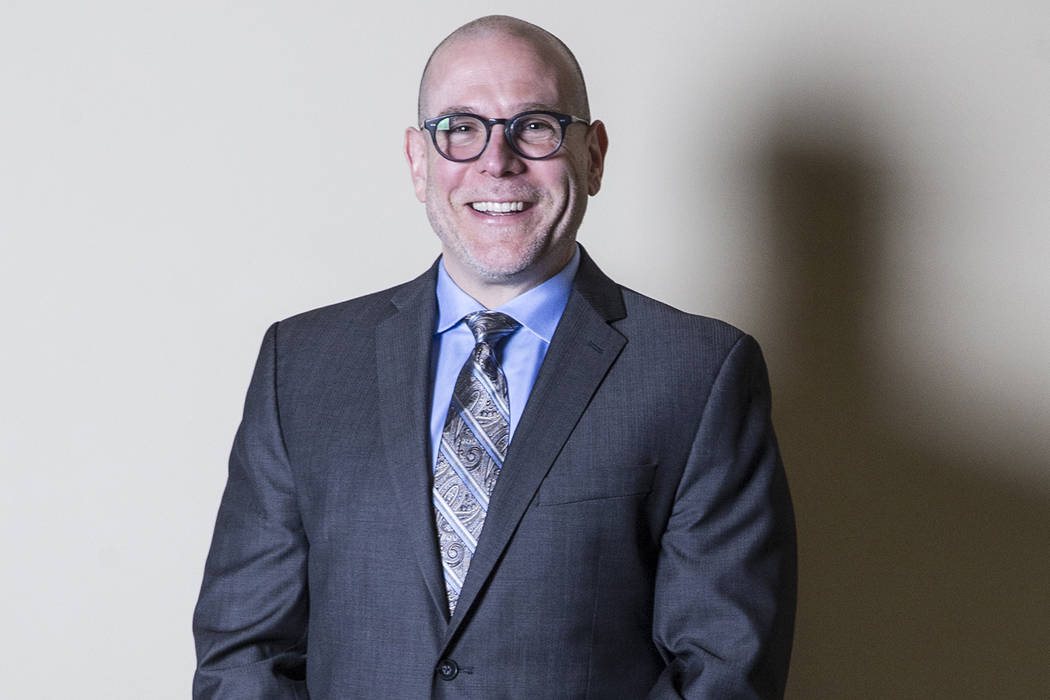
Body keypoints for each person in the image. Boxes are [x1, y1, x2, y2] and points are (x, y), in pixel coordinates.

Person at [193, 14, 796, 699]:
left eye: (535, 126)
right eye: (461, 128)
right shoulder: (301, 364)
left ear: (593, 156)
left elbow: (723, 669)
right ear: (418, 161)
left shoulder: (700, 372)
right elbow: (244, 653)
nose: (496, 161)